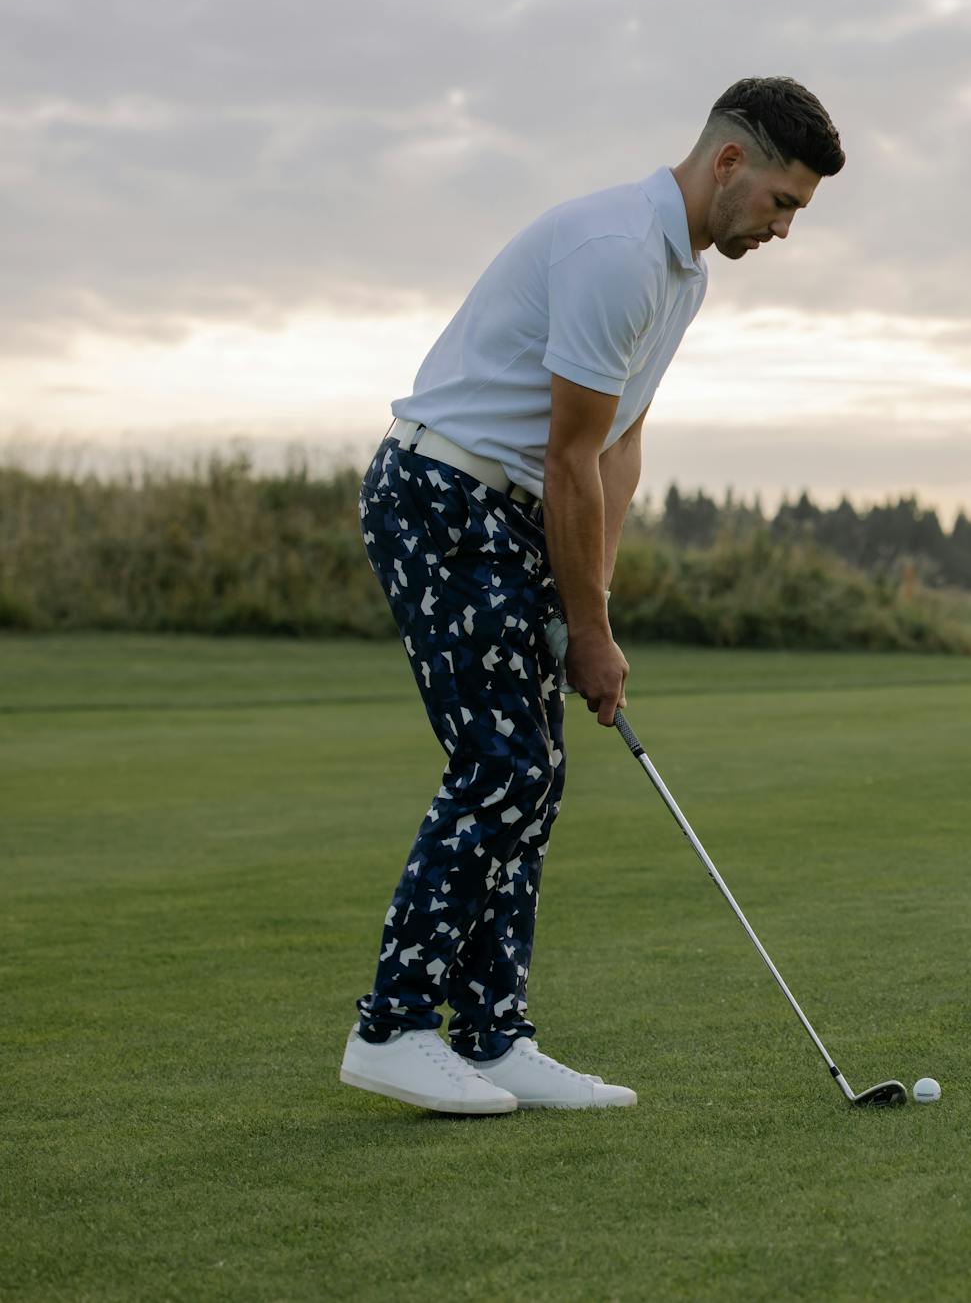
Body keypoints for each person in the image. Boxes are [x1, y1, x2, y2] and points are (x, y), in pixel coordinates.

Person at [338, 77, 844, 1114]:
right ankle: (390, 1028)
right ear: (726, 165)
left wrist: (593, 613)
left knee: (534, 778)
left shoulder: (680, 276)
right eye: (782, 202)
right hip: (440, 495)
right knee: (500, 766)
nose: (784, 229)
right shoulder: (615, 252)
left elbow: (619, 450)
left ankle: (489, 1035)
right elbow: (569, 458)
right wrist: (588, 626)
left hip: (506, 511)